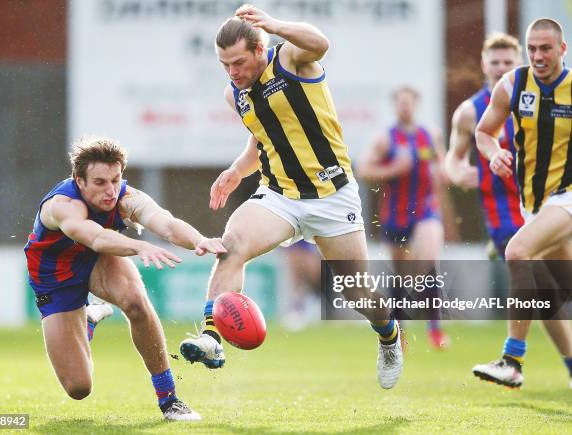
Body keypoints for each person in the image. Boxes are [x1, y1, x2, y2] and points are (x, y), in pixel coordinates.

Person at [179, 4, 404, 389]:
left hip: (332, 196)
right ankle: (212, 337)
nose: (232, 72)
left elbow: (321, 43)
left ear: (257, 49)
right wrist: (236, 170)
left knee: (356, 291)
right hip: (280, 196)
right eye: (224, 65)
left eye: (237, 62)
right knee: (231, 246)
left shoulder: (290, 60)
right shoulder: (236, 94)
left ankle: (388, 334)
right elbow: (262, 138)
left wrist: (275, 25)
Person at [24, 137, 227, 420]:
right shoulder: (64, 204)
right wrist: (140, 246)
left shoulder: (126, 198)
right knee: (78, 387)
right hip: (55, 277)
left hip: (97, 260)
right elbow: (93, 236)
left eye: (115, 180)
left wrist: (199, 240)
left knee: (134, 302)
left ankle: (169, 400)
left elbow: (165, 223)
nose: (110, 190)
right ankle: (88, 317)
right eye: (100, 183)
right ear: (79, 181)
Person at [472, 19, 572, 388]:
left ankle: (512, 360)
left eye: (546, 48)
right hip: (534, 204)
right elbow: (483, 132)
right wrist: (493, 152)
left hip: (567, 197)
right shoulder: (513, 84)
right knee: (555, 293)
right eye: (532, 49)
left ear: (562, 49)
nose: (538, 56)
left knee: (517, 253)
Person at [357, 86, 449, 349]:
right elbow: (364, 169)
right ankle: (399, 332)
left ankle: (435, 329)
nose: (405, 107)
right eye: (401, 103)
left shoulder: (430, 135)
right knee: (400, 276)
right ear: (395, 106)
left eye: (409, 103)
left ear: (416, 105)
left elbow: (443, 165)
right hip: (396, 215)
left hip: (426, 210)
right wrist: (393, 169)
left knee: (429, 260)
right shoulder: (385, 139)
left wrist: (443, 172)